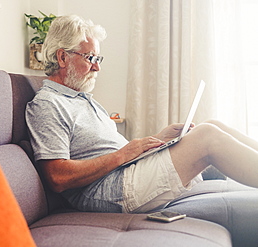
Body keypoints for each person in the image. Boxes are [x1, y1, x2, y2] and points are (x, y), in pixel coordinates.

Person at [25, 15, 258, 214]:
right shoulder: (48, 104)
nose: (97, 67)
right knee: (207, 137)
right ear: (62, 57)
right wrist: (123, 155)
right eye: (90, 58)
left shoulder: (81, 99)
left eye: (98, 59)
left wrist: (160, 138)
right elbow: (57, 177)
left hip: (125, 175)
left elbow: (111, 152)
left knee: (212, 124)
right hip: (110, 192)